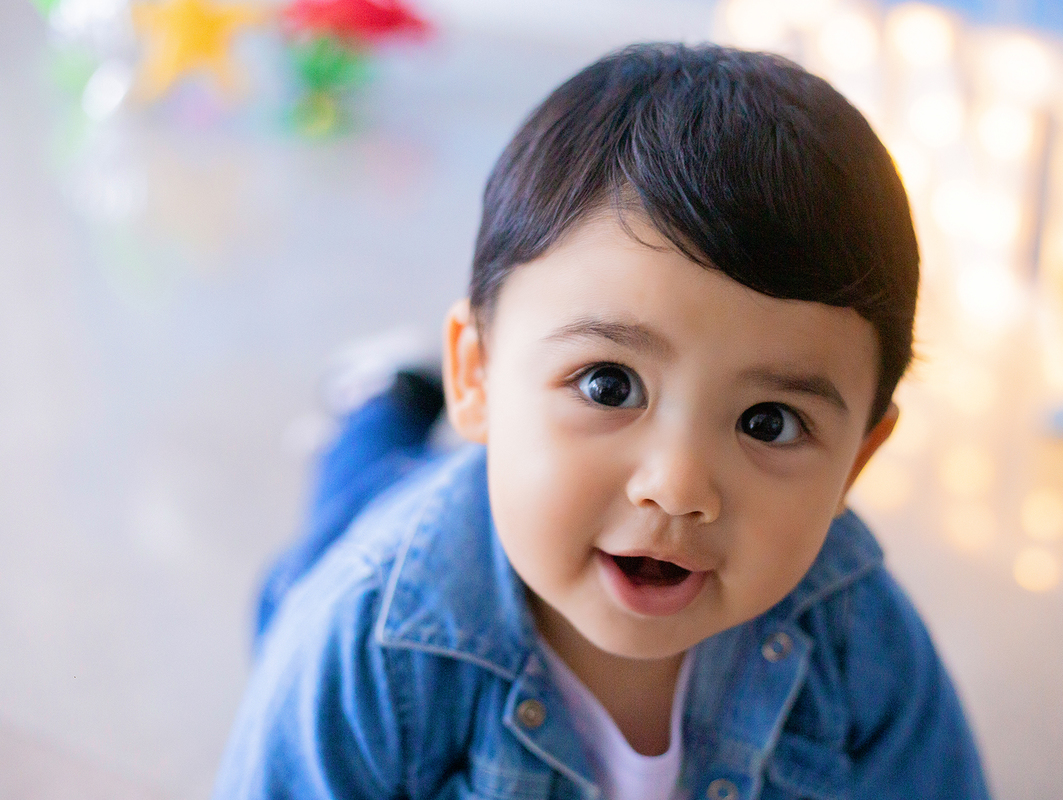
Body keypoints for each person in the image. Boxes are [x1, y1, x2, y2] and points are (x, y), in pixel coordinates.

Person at [213, 43, 991, 800]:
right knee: (350, 507)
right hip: (383, 538)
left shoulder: (854, 629)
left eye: (768, 422)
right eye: (609, 385)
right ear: (476, 374)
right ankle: (380, 400)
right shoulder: (365, 640)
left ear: (858, 458)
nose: (679, 486)